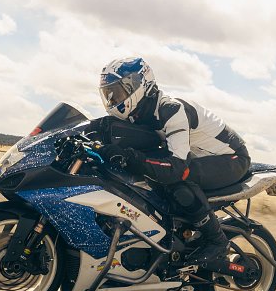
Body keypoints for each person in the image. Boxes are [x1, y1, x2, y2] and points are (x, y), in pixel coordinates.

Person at [93, 56, 251, 266]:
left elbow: (176, 168)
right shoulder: (137, 113)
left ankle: (217, 241)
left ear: (139, 85)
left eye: (117, 93)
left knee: (177, 179)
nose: (113, 101)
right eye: (109, 95)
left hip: (230, 158)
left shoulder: (170, 109)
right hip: (197, 156)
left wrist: (130, 157)